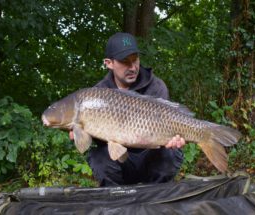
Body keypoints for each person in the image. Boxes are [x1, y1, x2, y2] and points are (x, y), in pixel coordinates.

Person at [70, 32, 186, 186]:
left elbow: (169, 122)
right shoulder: (97, 94)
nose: (133, 67)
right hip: (119, 162)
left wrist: (174, 138)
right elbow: (86, 141)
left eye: (135, 59)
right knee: (99, 158)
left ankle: (156, 197)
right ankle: (119, 201)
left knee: (170, 153)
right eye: (125, 61)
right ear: (109, 63)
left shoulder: (156, 86)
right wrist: (81, 133)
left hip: (150, 157)